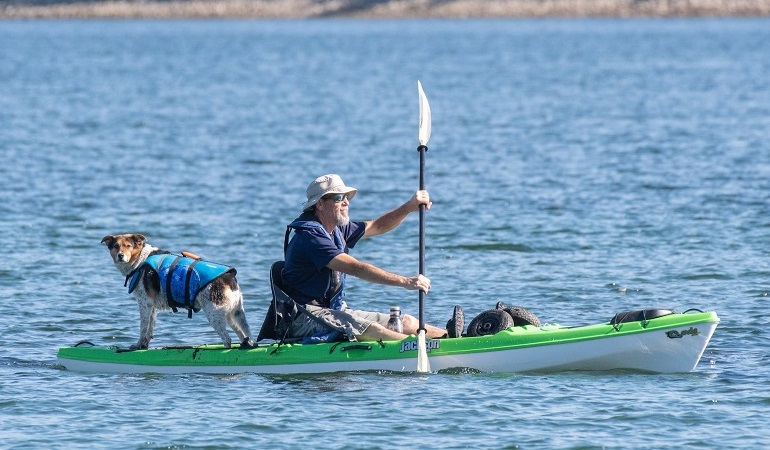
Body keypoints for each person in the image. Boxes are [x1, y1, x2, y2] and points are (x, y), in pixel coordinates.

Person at [280, 173, 463, 342]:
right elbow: (355, 268)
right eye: (338, 198)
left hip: (333, 312)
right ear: (319, 204)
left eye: (346, 197)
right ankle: (421, 348)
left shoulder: (337, 229)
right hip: (303, 319)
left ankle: (460, 338)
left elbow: (377, 226)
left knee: (406, 322)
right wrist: (405, 281)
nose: (346, 202)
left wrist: (409, 207)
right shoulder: (310, 237)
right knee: (371, 328)